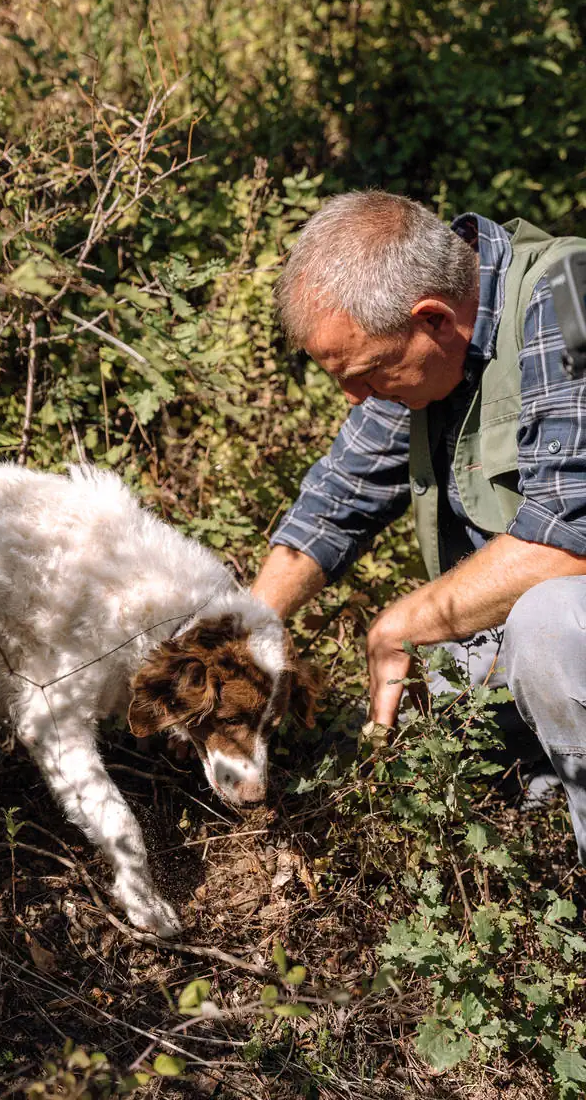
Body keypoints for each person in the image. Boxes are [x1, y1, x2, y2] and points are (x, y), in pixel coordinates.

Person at [251, 191, 586, 855]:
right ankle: (537, 829)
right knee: (438, 672)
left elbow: (572, 542)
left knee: (548, 625)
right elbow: (337, 499)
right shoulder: (428, 353)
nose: (353, 399)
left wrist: (402, 622)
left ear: (430, 318)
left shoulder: (564, 298)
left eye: (367, 373)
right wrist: (244, 628)